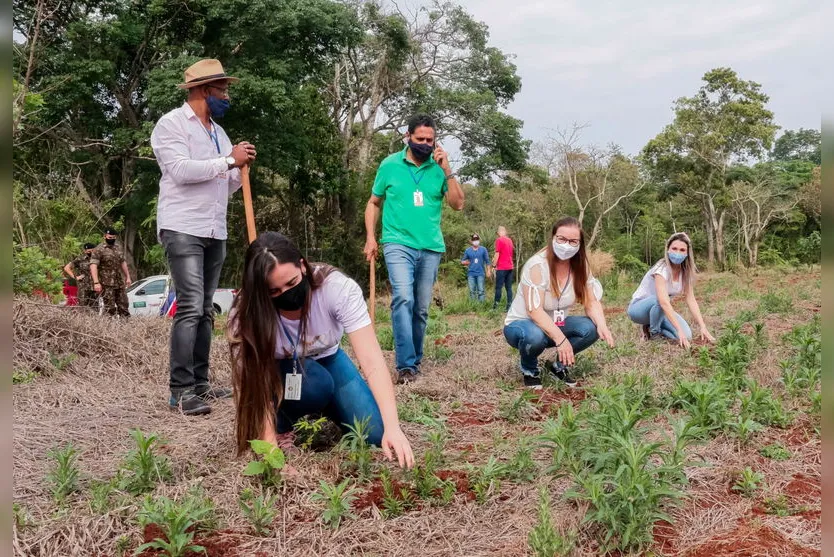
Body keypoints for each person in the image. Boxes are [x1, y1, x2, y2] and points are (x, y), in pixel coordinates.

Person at [228, 232, 415, 468]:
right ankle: (282, 424)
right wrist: (271, 452)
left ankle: (328, 406)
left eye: (291, 283)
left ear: (302, 266)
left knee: (374, 433)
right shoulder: (246, 313)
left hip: (328, 358)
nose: (286, 293)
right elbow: (254, 385)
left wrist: (393, 427)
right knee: (316, 384)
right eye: (274, 291)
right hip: (279, 373)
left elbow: (372, 360)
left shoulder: (336, 289)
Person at [150, 58, 256, 415]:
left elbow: (223, 185)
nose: (226, 96)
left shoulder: (219, 133)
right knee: (191, 306)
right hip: (183, 227)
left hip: (214, 228)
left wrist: (239, 168)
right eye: (222, 90)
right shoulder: (171, 124)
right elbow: (181, 170)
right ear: (202, 90)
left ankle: (200, 384)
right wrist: (227, 161)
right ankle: (180, 391)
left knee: (207, 309)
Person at [363, 113, 465, 384]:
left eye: (430, 140)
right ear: (407, 136)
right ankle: (406, 365)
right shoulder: (389, 165)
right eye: (420, 139)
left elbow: (457, 204)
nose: (425, 144)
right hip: (397, 242)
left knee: (420, 308)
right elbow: (374, 202)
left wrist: (447, 169)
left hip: (430, 247)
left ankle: (415, 359)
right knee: (403, 298)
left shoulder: (439, 169)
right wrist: (371, 238)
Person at [503, 217, 615, 389]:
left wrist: (602, 325)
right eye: (561, 239)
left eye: (573, 241)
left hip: (556, 324)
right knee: (534, 335)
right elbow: (534, 311)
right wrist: (561, 340)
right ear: (553, 237)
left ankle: (558, 367)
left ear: (580, 244)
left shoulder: (581, 266)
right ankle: (529, 369)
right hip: (523, 325)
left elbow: (591, 301)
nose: (566, 245)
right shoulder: (537, 265)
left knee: (591, 328)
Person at [627, 232, 715, 349]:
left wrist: (702, 326)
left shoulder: (685, 273)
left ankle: (648, 328)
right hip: (639, 310)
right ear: (668, 249)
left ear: (687, 253)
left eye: (682, 250)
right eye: (674, 248)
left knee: (687, 336)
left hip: (659, 310)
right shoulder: (661, 269)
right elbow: (663, 302)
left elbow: (691, 299)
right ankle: (654, 333)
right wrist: (679, 329)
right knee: (661, 300)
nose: (677, 253)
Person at [90, 228, 132, 317]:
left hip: (119, 282)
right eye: (109, 237)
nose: (111, 239)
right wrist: (96, 282)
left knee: (124, 305)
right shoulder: (99, 249)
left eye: (113, 237)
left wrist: (128, 277)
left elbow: (123, 262)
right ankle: (110, 325)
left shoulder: (118, 247)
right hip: (106, 283)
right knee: (110, 308)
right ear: (105, 236)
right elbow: (93, 266)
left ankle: (125, 324)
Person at [64, 243, 97, 310]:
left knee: (95, 308)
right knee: (82, 308)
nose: (91, 253)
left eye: (93, 251)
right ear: (85, 251)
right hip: (83, 288)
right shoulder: (80, 259)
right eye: (89, 251)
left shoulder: (97, 259)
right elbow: (67, 268)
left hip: (95, 287)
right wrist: (75, 277)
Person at [460, 233, 491, 301]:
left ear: (479, 240)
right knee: (472, 291)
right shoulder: (468, 250)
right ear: (471, 241)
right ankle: (473, 305)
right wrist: (466, 262)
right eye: (474, 239)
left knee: (481, 291)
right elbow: (462, 261)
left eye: (477, 239)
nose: (475, 240)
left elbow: (487, 261)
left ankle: (481, 305)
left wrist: (488, 271)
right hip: (471, 274)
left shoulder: (483, 249)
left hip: (480, 273)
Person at [492, 226, 515, 311]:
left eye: (498, 233)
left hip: (502, 267)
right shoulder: (510, 240)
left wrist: (494, 265)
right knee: (509, 288)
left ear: (499, 232)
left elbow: (497, 254)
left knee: (498, 287)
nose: (498, 234)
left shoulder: (499, 240)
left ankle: (495, 307)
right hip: (510, 266)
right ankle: (509, 306)